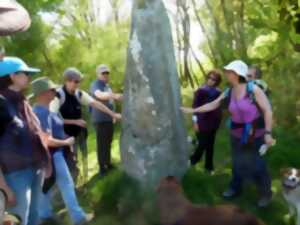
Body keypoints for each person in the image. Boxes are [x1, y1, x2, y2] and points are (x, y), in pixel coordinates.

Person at [181, 60, 275, 207]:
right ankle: (235, 188)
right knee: (237, 162)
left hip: (255, 134)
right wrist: (193, 111)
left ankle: (265, 194)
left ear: (237, 74)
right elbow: (213, 104)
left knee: (257, 165)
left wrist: (268, 133)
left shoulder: (253, 90)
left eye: (229, 71)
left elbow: (267, 110)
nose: (226, 74)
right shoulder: (229, 91)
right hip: (236, 134)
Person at [31, 77, 93, 225]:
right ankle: (78, 218)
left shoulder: (45, 110)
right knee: (66, 185)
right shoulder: (41, 113)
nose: (55, 91)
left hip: (52, 156)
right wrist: (66, 142)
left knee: (46, 187)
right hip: (52, 156)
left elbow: (55, 129)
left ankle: (45, 215)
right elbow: (47, 140)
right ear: (44, 93)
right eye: (52, 90)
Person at [0, 57, 50, 225]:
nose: (29, 76)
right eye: (26, 73)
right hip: (15, 175)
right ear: (12, 76)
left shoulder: (23, 100)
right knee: (19, 220)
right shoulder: (1, 104)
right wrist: (4, 187)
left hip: (35, 169)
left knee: (34, 216)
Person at [50, 67, 121, 181]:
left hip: (80, 132)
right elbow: (52, 118)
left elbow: (96, 104)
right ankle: (72, 186)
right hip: (65, 136)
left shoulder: (79, 94)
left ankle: (82, 182)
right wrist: (75, 121)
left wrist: (112, 114)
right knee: (72, 161)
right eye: (76, 81)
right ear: (68, 81)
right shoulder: (58, 95)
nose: (78, 84)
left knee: (84, 158)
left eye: (79, 81)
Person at [89, 65, 123, 177]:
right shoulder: (95, 84)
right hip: (100, 119)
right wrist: (114, 95)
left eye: (107, 73)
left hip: (108, 118)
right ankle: (102, 168)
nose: (105, 75)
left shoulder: (107, 86)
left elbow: (110, 101)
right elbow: (100, 95)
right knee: (102, 144)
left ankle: (107, 164)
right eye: (103, 73)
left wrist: (113, 115)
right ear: (98, 74)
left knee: (108, 142)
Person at [190, 70, 222, 173]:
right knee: (202, 143)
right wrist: (195, 122)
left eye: (214, 79)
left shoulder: (218, 92)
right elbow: (195, 107)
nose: (211, 81)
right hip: (202, 121)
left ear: (217, 81)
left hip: (214, 122)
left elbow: (220, 106)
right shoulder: (201, 91)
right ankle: (192, 160)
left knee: (210, 145)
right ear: (207, 78)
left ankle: (209, 167)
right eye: (209, 78)